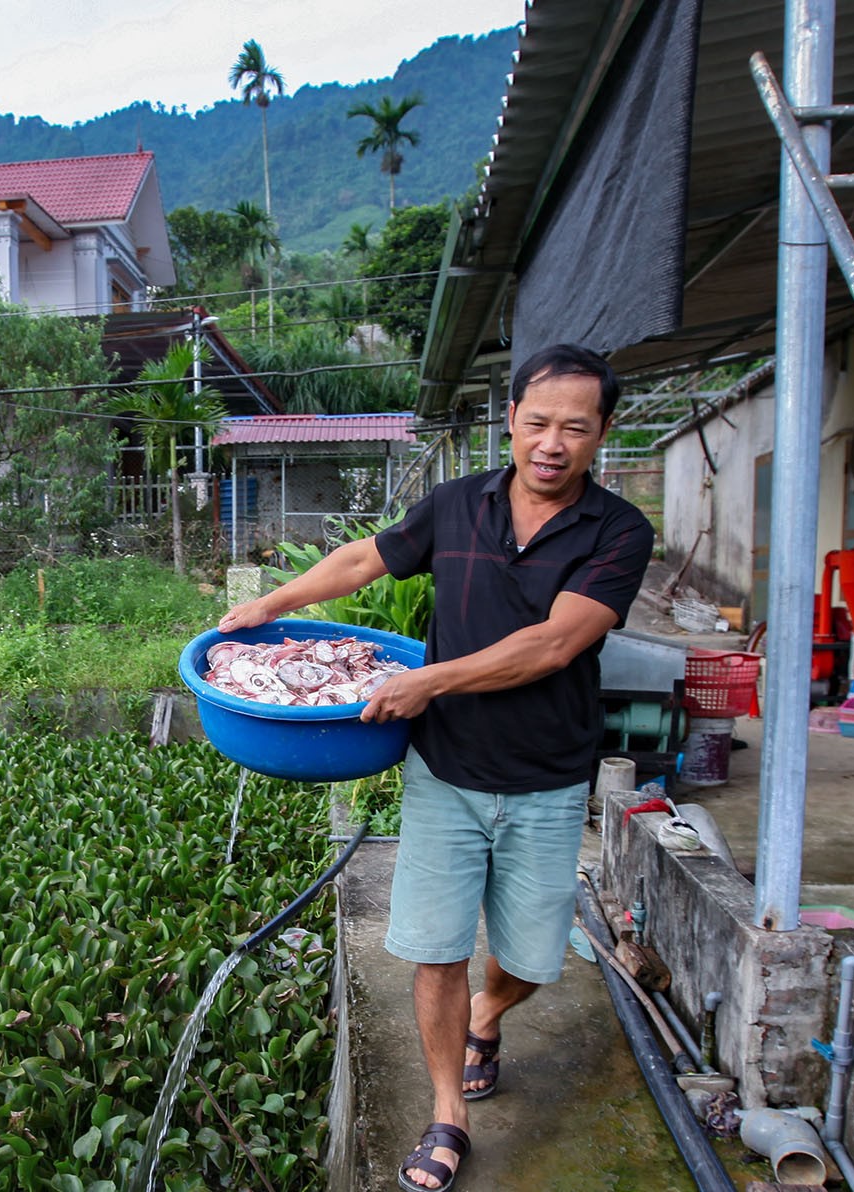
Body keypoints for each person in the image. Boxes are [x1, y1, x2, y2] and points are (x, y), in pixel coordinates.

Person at [218, 343, 654, 1191]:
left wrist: (427, 680)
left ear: (602, 432)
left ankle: (490, 1015)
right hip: (447, 769)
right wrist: (273, 602)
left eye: (574, 427)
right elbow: (362, 559)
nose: (552, 443)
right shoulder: (458, 505)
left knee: (531, 962)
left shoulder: (618, 532)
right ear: (513, 422)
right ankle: (447, 1112)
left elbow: (553, 644)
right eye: (537, 423)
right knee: (435, 950)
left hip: (549, 774)